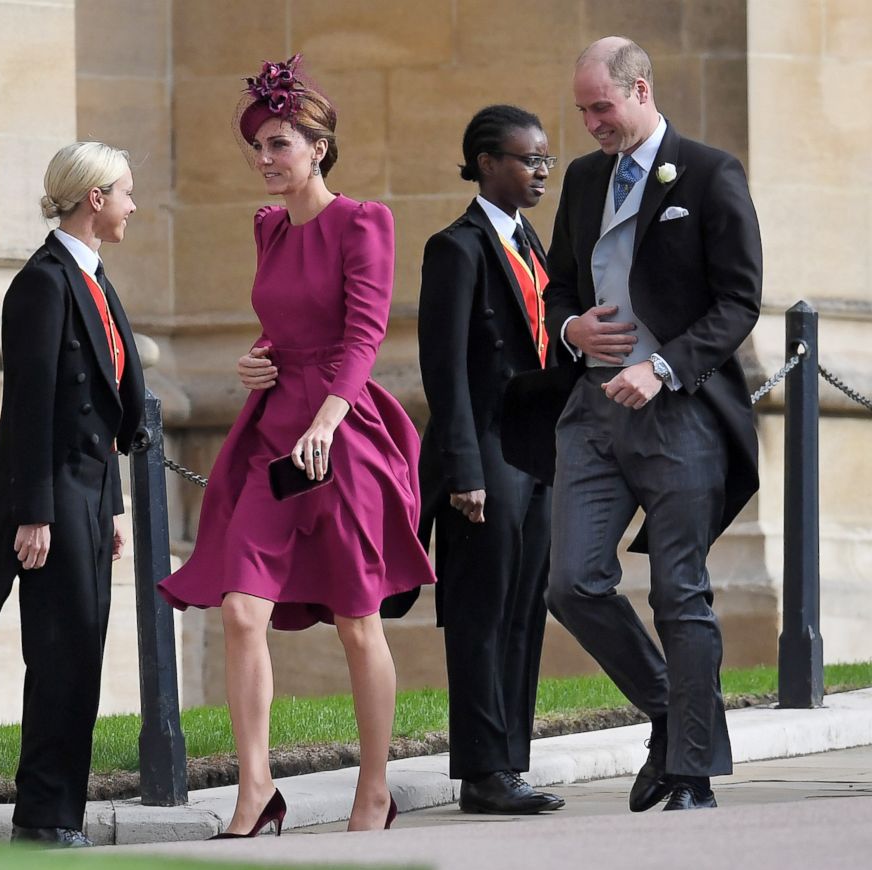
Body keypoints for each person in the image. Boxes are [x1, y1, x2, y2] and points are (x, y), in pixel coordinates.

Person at [157, 54, 435, 836]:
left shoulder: (364, 222)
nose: (264, 159)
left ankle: (374, 790)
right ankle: (256, 790)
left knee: (357, 621)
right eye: (257, 145)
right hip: (274, 433)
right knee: (242, 609)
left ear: (318, 146)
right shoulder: (267, 227)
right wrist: (256, 357)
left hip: (342, 437)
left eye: (279, 143)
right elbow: (287, 322)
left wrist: (328, 418)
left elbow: (362, 332)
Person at [538, 37, 763, 811]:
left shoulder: (708, 172)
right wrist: (573, 332)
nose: (592, 122)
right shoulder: (581, 178)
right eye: (583, 110)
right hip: (591, 411)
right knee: (571, 582)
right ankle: (674, 714)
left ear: (641, 90)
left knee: (679, 592)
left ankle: (691, 772)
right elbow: (557, 285)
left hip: (680, 414)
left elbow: (739, 300)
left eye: (601, 107)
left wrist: (662, 367)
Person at [0, 142, 145, 846]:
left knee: (82, 655)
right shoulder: (43, 282)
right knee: (63, 656)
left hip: (90, 495)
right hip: (55, 498)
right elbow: (30, 408)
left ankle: (54, 809)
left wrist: (116, 505)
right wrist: (34, 514)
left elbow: (101, 408)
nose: (133, 205)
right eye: (125, 192)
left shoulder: (92, 276)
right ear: (94, 199)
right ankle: (43, 814)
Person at [411, 105, 564, 814]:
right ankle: (481, 770)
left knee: (525, 609)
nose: (539, 171)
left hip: (535, 455)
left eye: (544, 160)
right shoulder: (457, 246)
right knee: (479, 612)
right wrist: (463, 470)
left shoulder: (533, 244)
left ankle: (511, 762)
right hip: (486, 455)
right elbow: (442, 373)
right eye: (526, 159)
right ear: (483, 161)